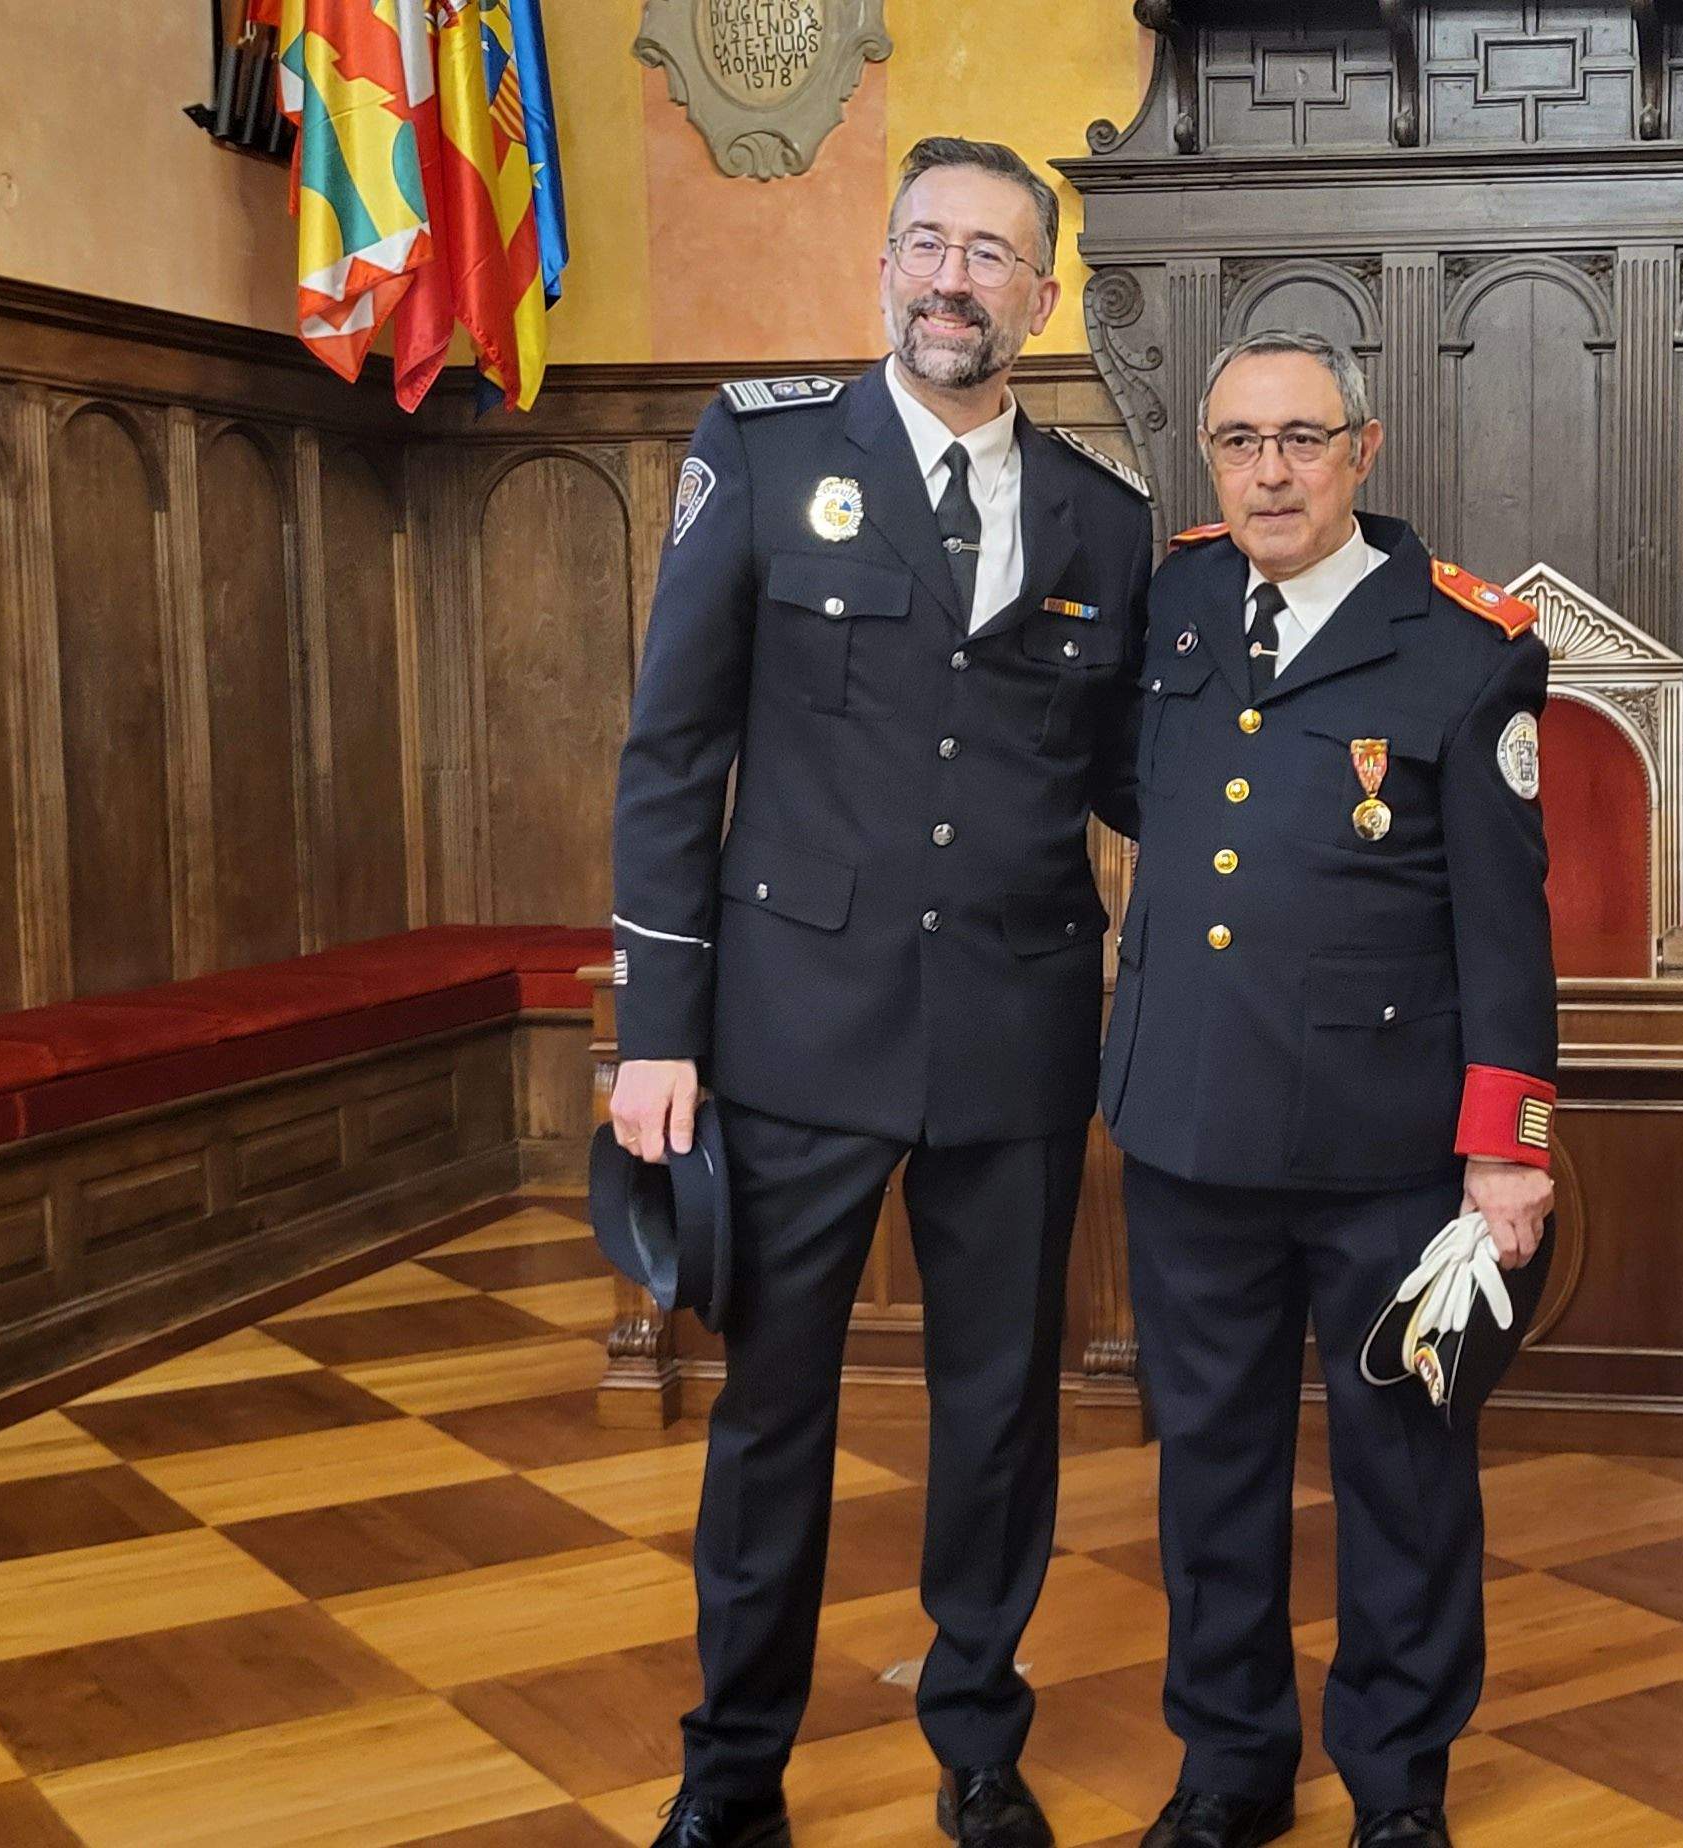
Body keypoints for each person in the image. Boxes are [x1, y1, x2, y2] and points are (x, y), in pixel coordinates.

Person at [604, 135, 1151, 1848]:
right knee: (774, 1413)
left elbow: (1140, 777)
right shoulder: (762, 455)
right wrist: (655, 1034)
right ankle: (732, 1772)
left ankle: (978, 1746)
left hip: (1014, 1027)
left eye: (991, 255)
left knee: (999, 1412)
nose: (951, 280)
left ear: (1039, 295)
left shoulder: (1107, 519)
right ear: (884, 263)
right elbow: (671, 755)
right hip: (793, 1027)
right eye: (926, 244)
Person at [1098, 329, 1556, 1848]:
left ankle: (1395, 1786)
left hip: (1387, 1152)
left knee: (1405, 1475)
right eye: (1239, 442)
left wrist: (1508, 1152)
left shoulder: (1467, 646)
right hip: (1188, 1133)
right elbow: (1133, 791)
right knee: (1210, 1470)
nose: (1269, 471)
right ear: (1210, 462)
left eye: (1301, 439)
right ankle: (1230, 1771)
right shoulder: (1171, 603)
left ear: (1364, 448)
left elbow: (1505, 924)